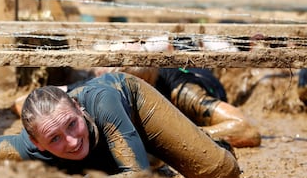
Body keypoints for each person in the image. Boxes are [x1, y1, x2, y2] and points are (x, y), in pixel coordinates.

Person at [0, 72, 240, 178]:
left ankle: (163, 145)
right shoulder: (26, 147)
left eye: (72, 124)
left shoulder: (102, 102)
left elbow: (137, 176)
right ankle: (145, 151)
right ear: (37, 143)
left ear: (78, 107)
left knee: (222, 174)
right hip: (116, 140)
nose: (72, 141)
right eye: (55, 138)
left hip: (134, 105)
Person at [13, 67, 261, 148]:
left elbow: (246, 130)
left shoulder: (179, 90)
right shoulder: (99, 87)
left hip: (199, 77)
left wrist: (171, 137)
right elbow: (23, 102)